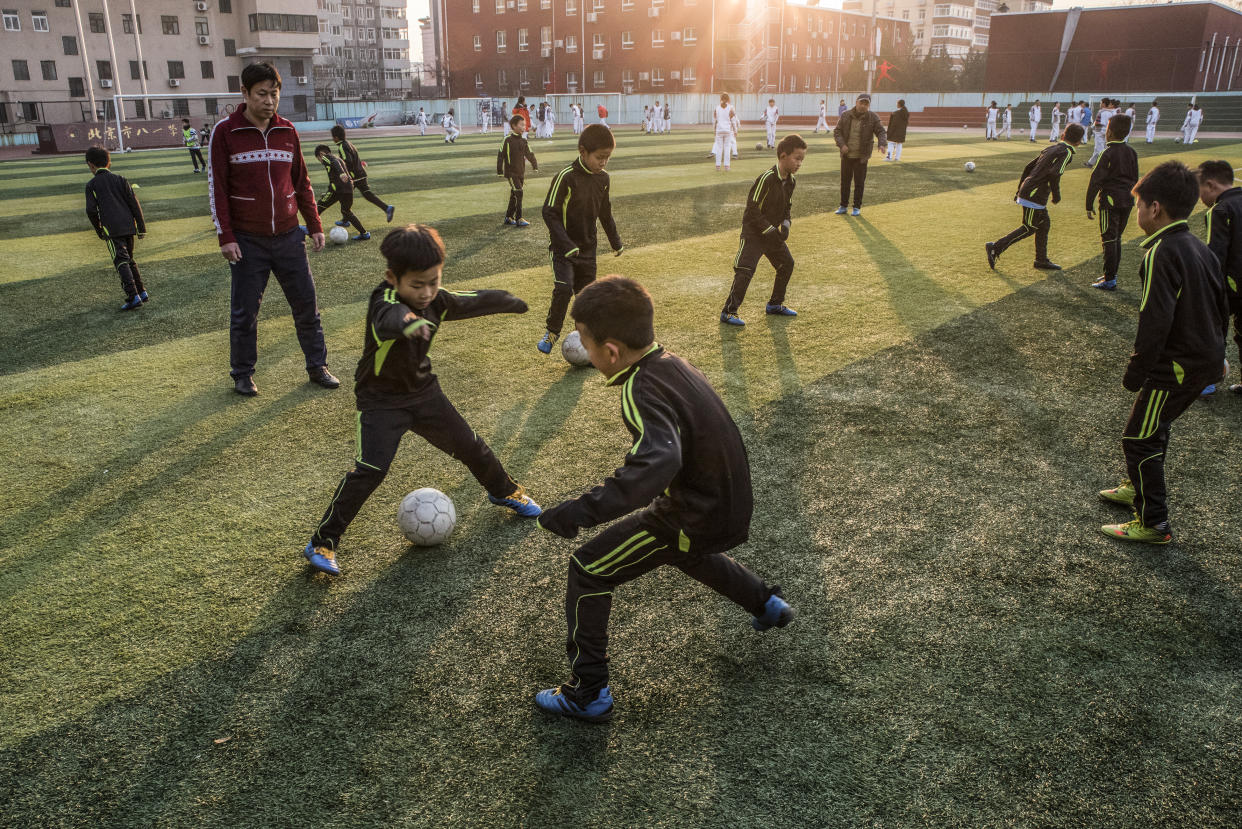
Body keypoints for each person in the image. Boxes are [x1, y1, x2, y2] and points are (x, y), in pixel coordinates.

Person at [533, 276, 794, 722]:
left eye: (586, 345)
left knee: (589, 568)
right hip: (727, 501)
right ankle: (767, 604)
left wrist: (579, 511)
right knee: (679, 552)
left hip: (695, 514)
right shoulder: (672, 362)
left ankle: (589, 693)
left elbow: (657, 463)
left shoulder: (638, 387)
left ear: (611, 351)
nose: (586, 355)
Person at [304, 225, 541, 577]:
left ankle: (505, 491)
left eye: (434, 281)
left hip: (424, 394)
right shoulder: (383, 303)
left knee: (472, 446)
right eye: (417, 285)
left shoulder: (437, 299)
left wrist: (507, 301)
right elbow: (390, 320)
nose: (427, 292)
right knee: (370, 470)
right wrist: (410, 323)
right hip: (380, 402)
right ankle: (323, 542)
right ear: (392, 278)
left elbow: (470, 300)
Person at [1097, 161, 1229, 544]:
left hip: (1176, 366)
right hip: (1201, 360)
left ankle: (1153, 523)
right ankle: (1134, 485)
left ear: (1154, 208)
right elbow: (1220, 305)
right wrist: (1220, 355)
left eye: (1138, 206)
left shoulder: (1161, 252)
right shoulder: (1198, 247)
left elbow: (1154, 322)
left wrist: (1137, 371)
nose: (1137, 212)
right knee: (1153, 427)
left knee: (1139, 438)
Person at [208, 61, 337, 397]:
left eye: (274, 94)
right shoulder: (226, 132)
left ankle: (317, 366)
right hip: (248, 241)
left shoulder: (288, 130)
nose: (269, 100)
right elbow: (217, 188)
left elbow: (302, 182)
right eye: (262, 94)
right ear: (245, 94)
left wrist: (315, 224)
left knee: (307, 306)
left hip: (290, 235)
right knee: (245, 313)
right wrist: (226, 236)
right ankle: (242, 374)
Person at [536, 124, 623, 354]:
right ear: (583, 152)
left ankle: (589, 343)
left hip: (588, 251)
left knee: (586, 300)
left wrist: (615, 242)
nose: (603, 163)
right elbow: (549, 212)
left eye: (607, 158)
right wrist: (565, 245)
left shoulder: (603, 179)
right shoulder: (566, 177)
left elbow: (605, 213)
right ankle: (552, 332)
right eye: (599, 157)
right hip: (563, 250)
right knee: (564, 289)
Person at [720, 134, 807, 326]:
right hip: (754, 233)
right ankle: (728, 312)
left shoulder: (791, 181)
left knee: (787, 264)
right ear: (783, 156)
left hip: (771, 235)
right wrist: (767, 228)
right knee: (745, 269)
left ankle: (775, 305)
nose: (800, 163)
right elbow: (752, 209)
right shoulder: (767, 178)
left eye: (802, 159)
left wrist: (786, 224)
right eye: (797, 158)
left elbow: (787, 208)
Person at [984, 123, 1085, 273]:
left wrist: (1020, 189)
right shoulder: (1067, 153)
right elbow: (1055, 174)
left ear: (1063, 135)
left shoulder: (1051, 148)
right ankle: (996, 247)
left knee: (1044, 224)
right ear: (1079, 141)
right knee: (1029, 227)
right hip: (1035, 194)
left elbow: (1028, 167)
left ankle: (1041, 259)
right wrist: (1056, 195)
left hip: (1029, 190)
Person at [1197, 160, 1242, 395]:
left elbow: (1216, 255)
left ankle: (1208, 381)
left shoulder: (1220, 210)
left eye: (1200, 191)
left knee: (1214, 330)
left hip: (1232, 285)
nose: (1200, 197)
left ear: (1211, 185)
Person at [84, 145, 148, 311]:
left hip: (111, 230)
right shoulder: (121, 179)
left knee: (120, 261)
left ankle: (133, 295)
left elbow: (91, 210)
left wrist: (99, 230)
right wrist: (141, 227)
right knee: (129, 259)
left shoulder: (92, 185)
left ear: (90, 165)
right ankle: (141, 291)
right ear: (109, 163)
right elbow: (134, 204)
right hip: (128, 226)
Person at [1085, 114, 1138, 291]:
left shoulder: (1106, 153)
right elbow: (1135, 178)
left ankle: (1109, 279)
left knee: (1109, 238)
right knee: (1116, 238)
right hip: (1127, 200)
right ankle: (1111, 274)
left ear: (1110, 132)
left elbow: (1095, 180)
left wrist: (1088, 204)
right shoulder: (1131, 152)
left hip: (1110, 201)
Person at [832, 93, 887, 217]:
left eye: (866, 104)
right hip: (847, 155)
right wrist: (842, 145)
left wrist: (882, 143)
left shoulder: (873, 117)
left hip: (862, 157)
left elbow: (881, 131)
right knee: (845, 182)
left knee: (859, 183)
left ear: (868, 105)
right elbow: (837, 132)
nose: (863, 106)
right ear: (856, 102)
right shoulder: (846, 115)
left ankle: (856, 207)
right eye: (861, 103)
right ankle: (843, 205)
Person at [331, 125, 395, 224]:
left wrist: (346, 174)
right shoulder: (349, 144)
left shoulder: (342, 147)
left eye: (333, 137)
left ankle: (345, 219)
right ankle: (387, 208)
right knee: (367, 194)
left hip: (354, 176)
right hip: (361, 174)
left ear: (336, 137)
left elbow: (348, 161)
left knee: (343, 195)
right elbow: (354, 159)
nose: (332, 139)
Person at [314, 144, 368, 242]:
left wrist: (341, 173)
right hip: (348, 189)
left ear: (321, 154)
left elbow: (334, 163)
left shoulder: (326, 157)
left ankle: (310, 229)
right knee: (346, 211)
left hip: (337, 189)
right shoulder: (339, 158)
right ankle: (364, 234)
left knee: (320, 205)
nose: (320, 161)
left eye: (318, 158)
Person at [498, 114, 539, 228]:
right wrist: (499, 170)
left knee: (514, 195)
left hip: (521, 172)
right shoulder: (507, 140)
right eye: (521, 125)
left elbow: (530, 153)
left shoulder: (524, 141)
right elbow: (500, 155)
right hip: (511, 173)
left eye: (524, 125)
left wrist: (534, 164)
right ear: (513, 126)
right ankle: (519, 218)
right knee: (519, 192)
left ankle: (508, 217)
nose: (523, 127)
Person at [1085, 98, 1115, 168]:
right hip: (1108, 132)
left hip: (1100, 132)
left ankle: (1104, 165)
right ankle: (1090, 163)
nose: (1100, 104)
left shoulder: (1101, 112)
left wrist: (1092, 129)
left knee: (1099, 149)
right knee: (1103, 148)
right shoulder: (1112, 112)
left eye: (1101, 103)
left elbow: (1098, 123)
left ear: (1104, 104)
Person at [711, 93, 738, 172]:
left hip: (719, 130)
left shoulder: (717, 108)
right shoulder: (731, 108)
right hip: (727, 130)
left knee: (719, 148)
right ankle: (727, 166)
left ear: (721, 99)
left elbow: (715, 120)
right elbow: (733, 121)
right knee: (727, 148)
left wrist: (714, 130)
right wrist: (735, 130)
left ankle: (718, 166)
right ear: (728, 99)